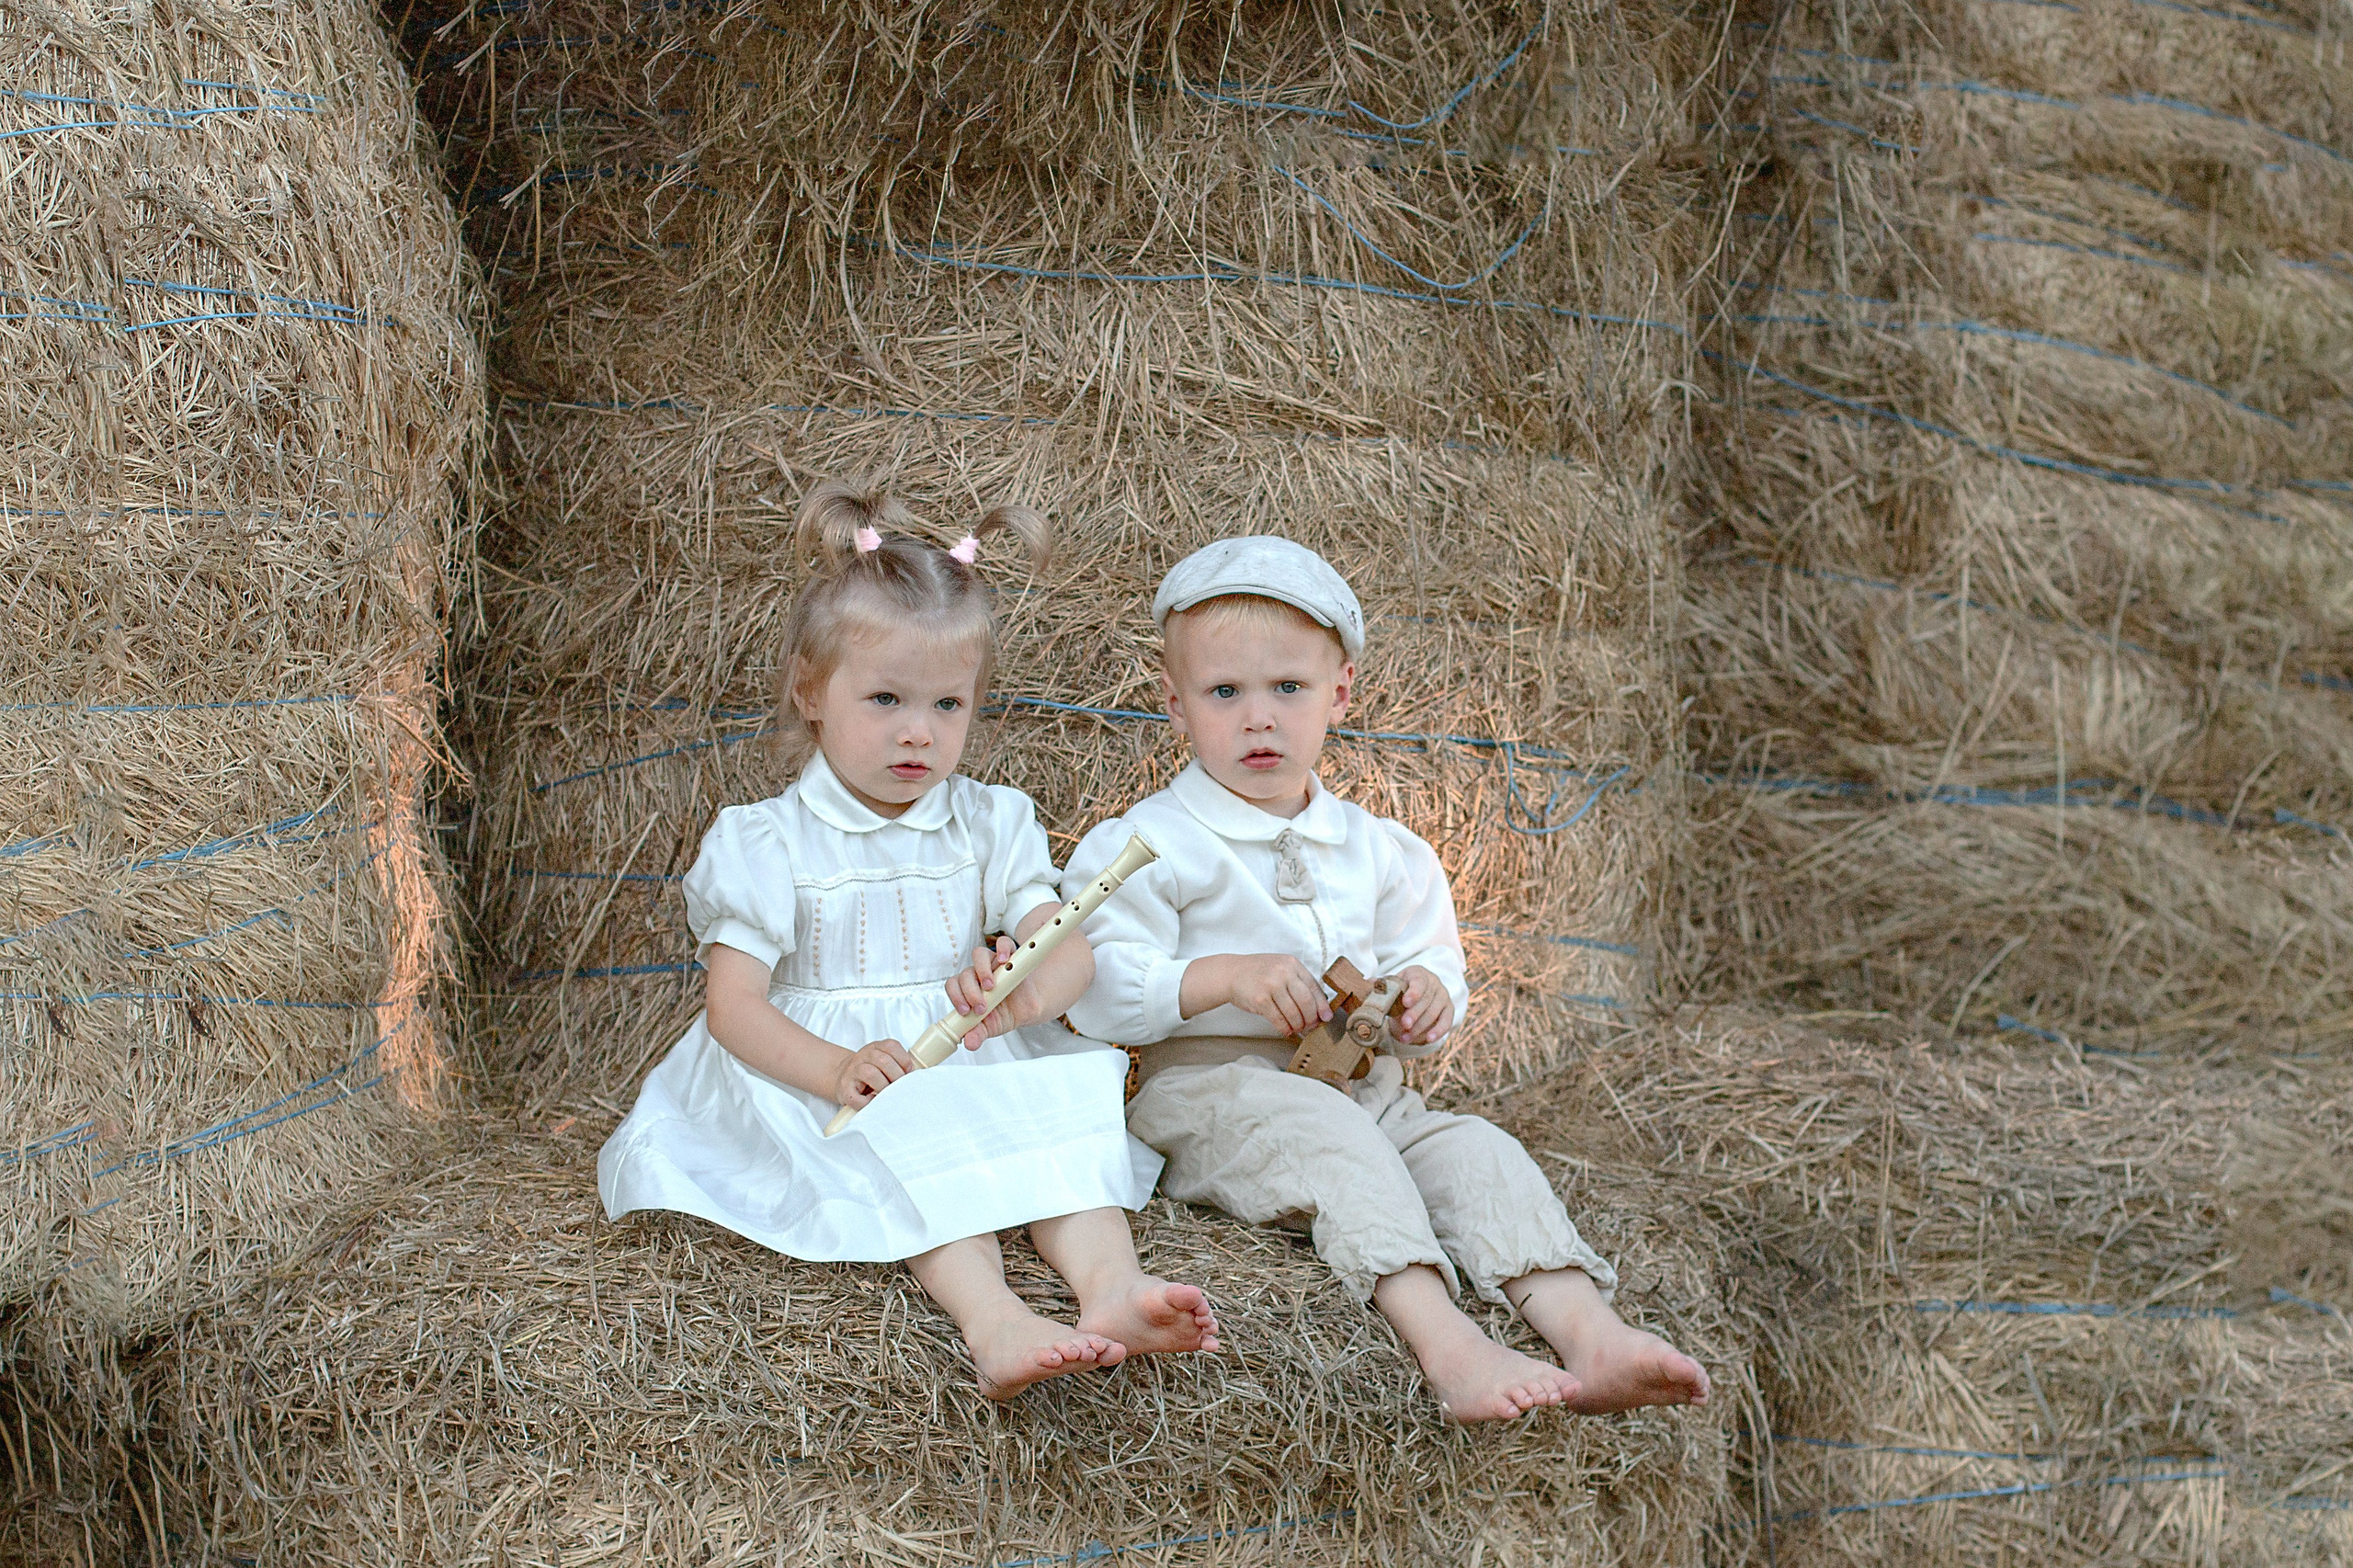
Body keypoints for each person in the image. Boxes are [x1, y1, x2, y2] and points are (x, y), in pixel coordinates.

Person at [1063, 537, 1707, 1423]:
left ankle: (1588, 1332)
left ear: (1342, 693)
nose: (1259, 718)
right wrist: (1221, 978)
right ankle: (1446, 1344)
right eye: (1225, 693)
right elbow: (1091, 988)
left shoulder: (1380, 850)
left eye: (1288, 688)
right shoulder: (1149, 843)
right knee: (1334, 1146)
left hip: (1366, 1086)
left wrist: (1428, 995)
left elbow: (1429, 954)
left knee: (1475, 1149)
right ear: (1176, 707)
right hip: (1212, 1088)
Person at [598, 481, 1218, 1398]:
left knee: (1055, 1119)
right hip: (827, 1064)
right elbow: (732, 1007)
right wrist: (832, 1068)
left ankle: (1113, 1286)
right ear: (810, 689)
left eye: (947, 706)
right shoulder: (766, 839)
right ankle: (994, 1318)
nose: (917, 733)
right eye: (885, 698)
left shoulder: (989, 819)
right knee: (922, 1146)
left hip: (958, 1040)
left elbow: (1066, 941)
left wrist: (1028, 988)